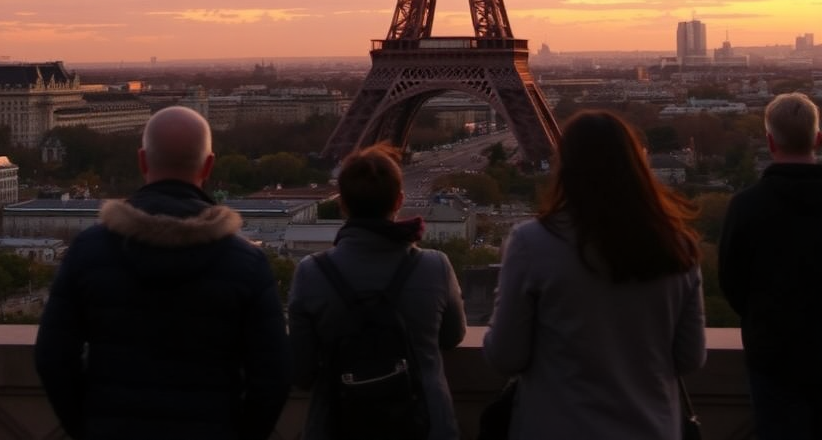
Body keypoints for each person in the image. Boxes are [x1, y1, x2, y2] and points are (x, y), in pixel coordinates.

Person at [34, 105, 291, 440]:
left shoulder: (88, 251)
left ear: (142, 161)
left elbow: (52, 358)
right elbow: (273, 376)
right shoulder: (246, 263)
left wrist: (89, 428)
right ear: (209, 166)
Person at [483, 111, 706, 439]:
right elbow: (689, 357)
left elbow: (506, 355)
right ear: (636, 165)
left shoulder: (531, 243)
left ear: (566, 167)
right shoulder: (678, 246)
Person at [288, 142, 467, 440]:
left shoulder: (311, 273)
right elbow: (452, 336)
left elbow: (302, 371)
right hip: (424, 426)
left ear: (342, 204)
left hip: (339, 424)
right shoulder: (435, 267)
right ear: (399, 201)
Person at [718, 91, 822, 440]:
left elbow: (732, 285)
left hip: (773, 356)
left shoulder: (746, 206)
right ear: (818, 140)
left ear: (769, 141)